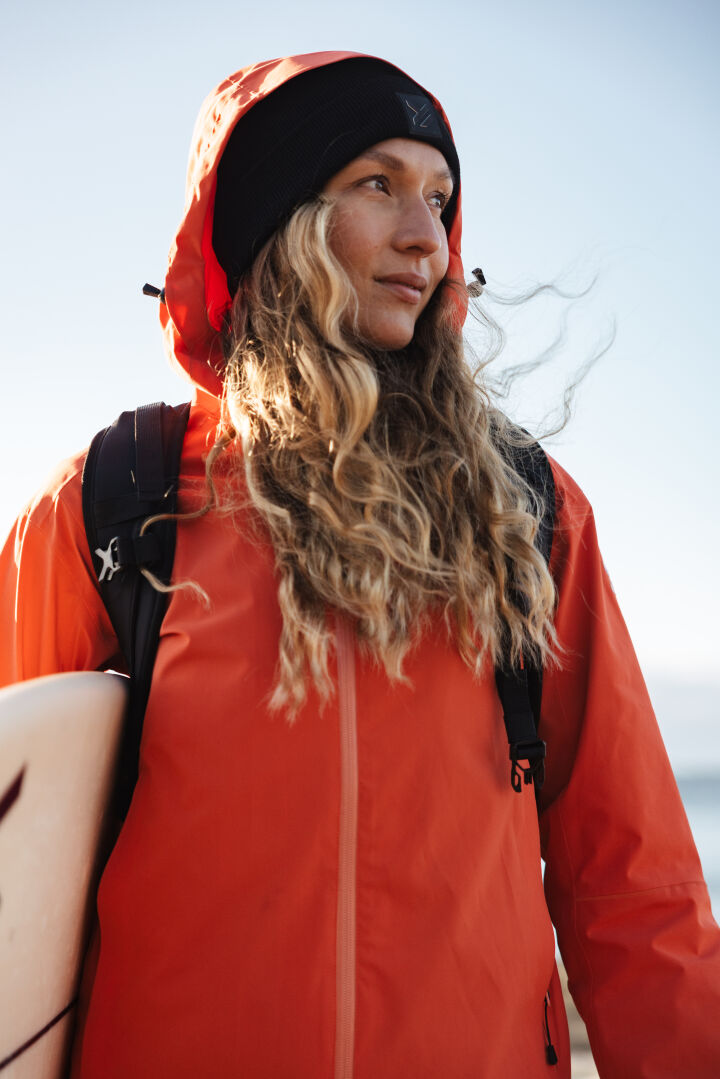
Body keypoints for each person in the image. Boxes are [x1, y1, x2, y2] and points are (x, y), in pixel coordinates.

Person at [1, 50, 719, 1079]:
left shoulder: (526, 511)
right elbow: (15, 847)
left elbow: (636, 889)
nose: (426, 236)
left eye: (439, 197)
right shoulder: (120, 500)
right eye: (376, 185)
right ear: (275, 223)